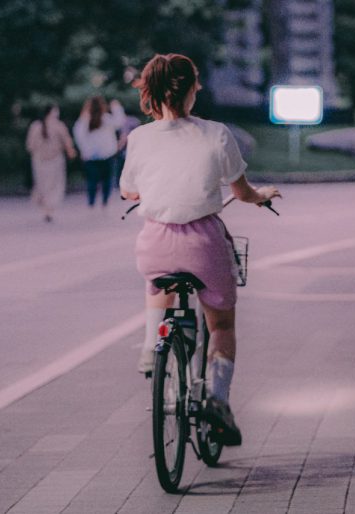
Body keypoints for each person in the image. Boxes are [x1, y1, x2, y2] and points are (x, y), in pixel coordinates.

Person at [119, 53, 281, 445]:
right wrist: (262, 196)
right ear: (192, 88)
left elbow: (128, 190)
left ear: (151, 91)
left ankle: (147, 347)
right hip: (203, 244)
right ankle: (217, 398)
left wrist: (152, 190)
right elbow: (241, 192)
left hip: (155, 243)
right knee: (221, 324)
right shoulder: (216, 134)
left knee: (158, 284)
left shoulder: (139, 138)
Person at [25, 104, 77, 222]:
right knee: (54, 185)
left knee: (42, 184)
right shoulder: (58, 126)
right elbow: (67, 143)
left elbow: (29, 146)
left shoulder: (35, 126)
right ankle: (49, 209)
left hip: (39, 161)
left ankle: (45, 208)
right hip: (55, 160)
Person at [73, 96, 125, 208]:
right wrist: (116, 107)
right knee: (107, 180)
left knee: (92, 180)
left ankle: (91, 202)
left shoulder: (84, 120)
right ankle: (104, 202)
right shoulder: (106, 118)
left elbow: (79, 136)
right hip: (107, 154)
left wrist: (83, 150)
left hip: (90, 156)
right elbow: (120, 122)